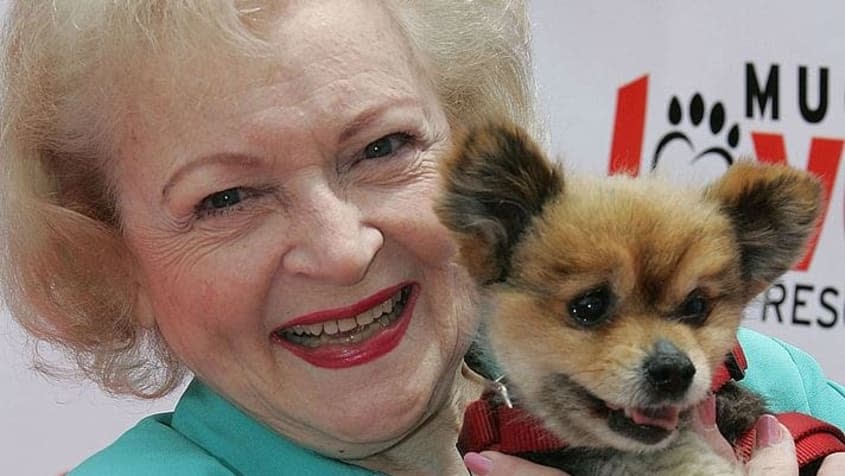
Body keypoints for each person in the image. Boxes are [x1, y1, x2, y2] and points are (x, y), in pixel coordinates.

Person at [0, 1, 842, 475]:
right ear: (113, 261)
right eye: (226, 198)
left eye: (382, 148)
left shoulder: (759, 379)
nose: (340, 249)